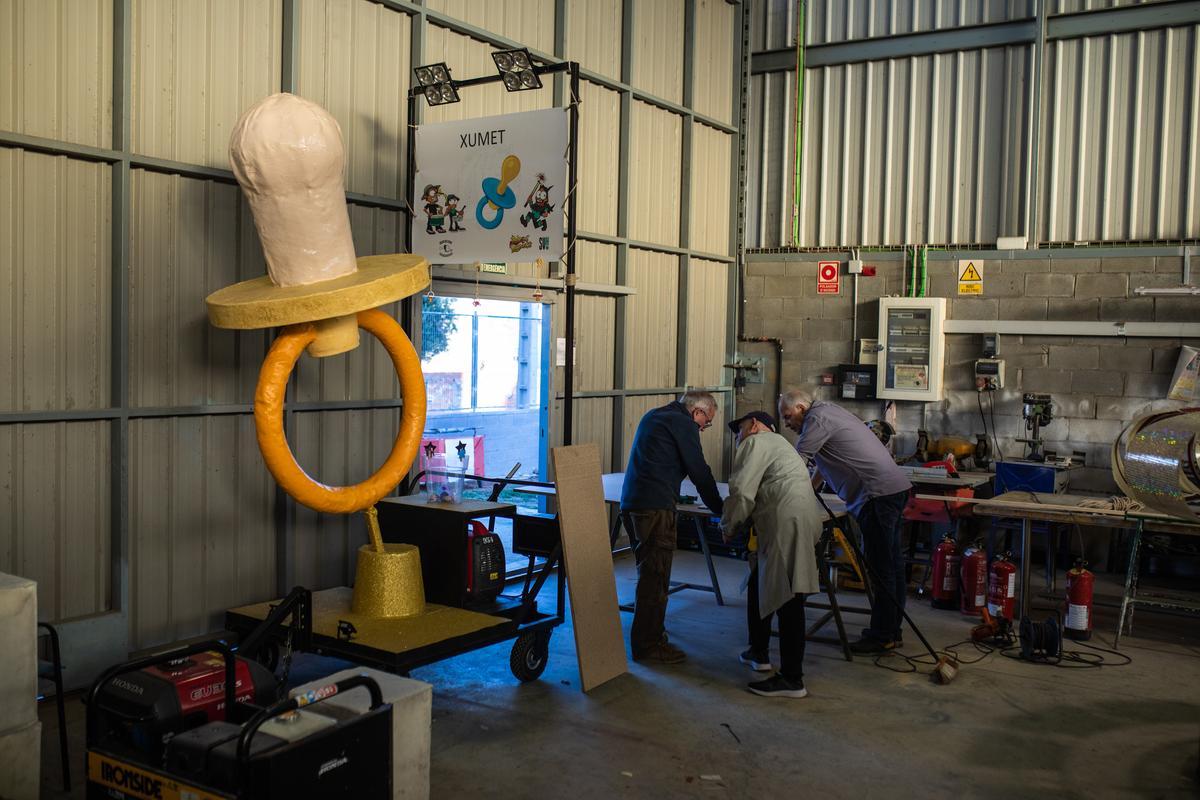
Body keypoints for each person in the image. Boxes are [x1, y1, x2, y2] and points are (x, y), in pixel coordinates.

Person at [778, 389, 913, 655]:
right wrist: (811, 490)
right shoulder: (828, 411)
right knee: (893, 566)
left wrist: (780, 495)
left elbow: (795, 464)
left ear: (801, 408)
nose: (786, 424)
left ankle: (882, 635)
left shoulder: (815, 422)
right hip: (892, 491)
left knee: (882, 569)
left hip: (876, 496)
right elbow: (820, 463)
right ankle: (891, 630)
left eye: (787, 417)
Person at [720, 410, 823, 698]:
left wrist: (728, 525)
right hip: (798, 518)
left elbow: (742, 492)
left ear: (754, 425)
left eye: (739, 429)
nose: (737, 436)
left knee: (790, 596)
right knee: (759, 583)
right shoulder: (782, 444)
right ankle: (759, 651)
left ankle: (792, 679)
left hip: (786, 522)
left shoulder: (755, 443)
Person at [620, 391, 725, 664]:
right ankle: (648, 646)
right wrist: (721, 511)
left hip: (632, 503)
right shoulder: (683, 423)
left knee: (649, 572)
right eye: (707, 422)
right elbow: (699, 470)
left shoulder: (657, 415)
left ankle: (651, 635)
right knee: (655, 577)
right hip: (654, 508)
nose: (704, 428)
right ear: (697, 413)